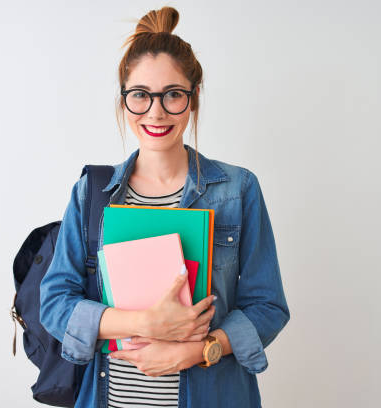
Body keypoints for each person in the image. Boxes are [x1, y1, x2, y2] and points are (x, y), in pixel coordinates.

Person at [39, 6, 290, 408]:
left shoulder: (238, 189)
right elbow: (54, 303)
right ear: (124, 101)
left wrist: (198, 350)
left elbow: (268, 306)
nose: (156, 112)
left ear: (192, 100)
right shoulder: (93, 192)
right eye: (140, 95)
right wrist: (145, 323)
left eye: (173, 94)